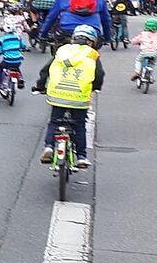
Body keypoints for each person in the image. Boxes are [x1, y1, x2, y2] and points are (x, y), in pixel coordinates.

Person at [33, 25, 104, 169]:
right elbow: (99, 75)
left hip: (57, 93)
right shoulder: (92, 54)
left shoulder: (62, 50)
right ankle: (82, 157)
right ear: (91, 41)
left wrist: (41, 86)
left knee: (54, 122)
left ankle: (49, 147)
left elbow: (45, 70)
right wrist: (96, 87)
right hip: (79, 95)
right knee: (79, 125)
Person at [0, 21, 27, 90]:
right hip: (17, 60)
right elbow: (23, 46)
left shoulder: (2, 39)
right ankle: (20, 79)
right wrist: (23, 48)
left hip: (7, 61)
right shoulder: (17, 38)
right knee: (16, 68)